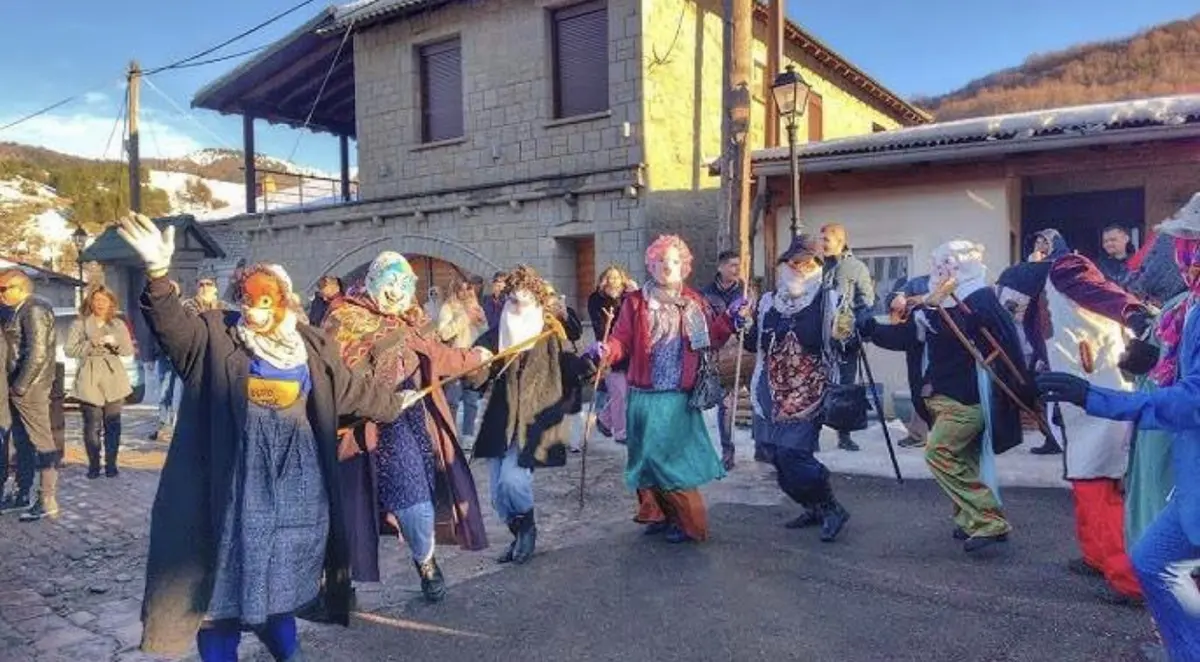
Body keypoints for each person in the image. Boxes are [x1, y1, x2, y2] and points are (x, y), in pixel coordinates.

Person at [115, 214, 419, 661]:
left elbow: (349, 390)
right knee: (221, 584)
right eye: (246, 299)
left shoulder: (311, 345)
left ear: (284, 300)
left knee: (279, 580)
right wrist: (159, 277)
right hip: (234, 481)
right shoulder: (216, 335)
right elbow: (173, 330)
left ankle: (288, 652)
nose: (253, 310)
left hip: (296, 484)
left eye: (263, 301)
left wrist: (395, 403)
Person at [1036, 193, 1200, 662]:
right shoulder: (1187, 304)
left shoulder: (1069, 268)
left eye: (1190, 241)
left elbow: (1192, 399)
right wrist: (1149, 358)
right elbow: (1167, 353)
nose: (1182, 251)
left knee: (1153, 554)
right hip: (1176, 448)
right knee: (1154, 559)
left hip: (1170, 428)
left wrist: (1096, 398)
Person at [322, 252, 490, 602]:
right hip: (369, 427)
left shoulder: (411, 315)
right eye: (389, 285)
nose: (396, 294)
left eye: (403, 287)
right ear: (373, 281)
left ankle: (425, 560)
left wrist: (474, 358)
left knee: (418, 502)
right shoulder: (344, 318)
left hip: (413, 420)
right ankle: (340, 583)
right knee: (353, 506)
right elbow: (336, 382)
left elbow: (437, 356)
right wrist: (383, 400)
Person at [1013, 228, 1158, 604]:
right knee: (1084, 476)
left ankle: (1130, 580)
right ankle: (1095, 555)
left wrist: (1134, 314)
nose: (1035, 252)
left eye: (1041, 246)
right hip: (1077, 392)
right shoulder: (1044, 286)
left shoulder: (1067, 266)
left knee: (1096, 479)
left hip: (1097, 387)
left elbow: (1103, 293)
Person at [861, 240, 1032, 553]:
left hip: (967, 398)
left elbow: (1008, 346)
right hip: (939, 394)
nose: (938, 271)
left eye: (945, 264)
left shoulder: (979, 299)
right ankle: (971, 520)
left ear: (962, 266)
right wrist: (871, 328)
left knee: (938, 453)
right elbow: (909, 338)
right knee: (962, 459)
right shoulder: (935, 302)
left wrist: (1023, 391)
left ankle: (989, 520)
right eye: (936, 264)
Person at [588, 235, 741, 544]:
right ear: (651, 265)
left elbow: (707, 340)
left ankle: (688, 523)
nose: (667, 266)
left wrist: (730, 319)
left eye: (673, 261)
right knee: (644, 458)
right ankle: (657, 513)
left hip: (676, 397)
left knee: (671, 461)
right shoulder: (636, 302)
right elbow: (622, 340)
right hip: (643, 395)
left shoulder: (692, 302)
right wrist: (607, 350)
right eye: (660, 261)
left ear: (683, 266)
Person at [467, 265, 581, 564]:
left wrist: (590, 362)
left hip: (534, 416)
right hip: (500, 418)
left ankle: (528, 528)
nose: (517, 308)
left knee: (513, 482)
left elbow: (570, 346)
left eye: (524, 301)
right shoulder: (497, 334)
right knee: (497, 496)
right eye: (513, 301)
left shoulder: (547, 333)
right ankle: (517, 533)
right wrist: (474, 364)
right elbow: (476, 372)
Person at [745, 235, 851, 541]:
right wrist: (744, 323)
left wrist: (846, 333)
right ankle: (812, 506)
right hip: (771, 389)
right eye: (792, 262)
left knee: (793, 454)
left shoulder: (828, 300)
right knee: (773, 454)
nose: (797, 268)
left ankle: (831, 507)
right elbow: (753, 344)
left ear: (816, 265)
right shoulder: (769, 302)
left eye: (804, 263)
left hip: (808, 389)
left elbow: (844, 345)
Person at [1122, 232, 1188, 551]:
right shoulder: (1177, 308)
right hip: (1163, 421)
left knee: (1158, 495)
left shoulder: (1180, 310)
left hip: (1166, 425)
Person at [0, 269, 59, 521]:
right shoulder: (16, 309)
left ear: (21, 288)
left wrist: (20, 386)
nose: (0, 294)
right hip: (16, 386)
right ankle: (22, 494)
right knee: (22, 442)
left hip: (30, 389)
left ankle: (47, 500)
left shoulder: (34, 308)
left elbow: (38, 352)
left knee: (42, 443)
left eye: (4, 289)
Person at [66, 286, 135, 479]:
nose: (100, 304)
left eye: (105, 300)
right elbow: (70, 350)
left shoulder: (118, 324)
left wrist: (115, 343)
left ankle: (111, 464)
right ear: (90, 302)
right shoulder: (79, 324)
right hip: (89, 376)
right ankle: (94, 465)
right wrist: (90, 344)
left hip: (114, 377)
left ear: (111, 303)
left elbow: (128, 350)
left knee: (113, 424)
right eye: (97, 300)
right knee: (92, 425)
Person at [820, 223, 875, 452]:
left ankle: (844, 435)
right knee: (817, 384)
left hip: (845, 340)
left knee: (845, 385)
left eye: (826, 240)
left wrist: (858, 330)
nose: (822, 244)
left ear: (840, 241)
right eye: (821, 239)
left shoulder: (856, 268)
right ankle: (812, 431)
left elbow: (867, 301)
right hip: (820, 338)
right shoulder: (820, 268)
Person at [702, 250, 745, 469]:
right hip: (721, 354)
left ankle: (764, 446)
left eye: (739, 265)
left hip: (745, 351)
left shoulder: (745, 291)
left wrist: (746, 320)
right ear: (720, 267)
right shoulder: (706, 295)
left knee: (760, 398)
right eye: (732, 265)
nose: (737, 269)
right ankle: (728, 451)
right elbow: (704, 325)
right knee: (727, 404)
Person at [437, 276, 487, 441]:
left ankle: (468, 436)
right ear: (455, 290)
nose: (465, 292)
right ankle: (450, 435)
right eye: (461, 289)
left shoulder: (476, 306)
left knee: (471, 399)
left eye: (468, 288)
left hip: (473, 357)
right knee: (452, 399)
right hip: (455, 358)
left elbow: (485, 332)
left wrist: (481, 322)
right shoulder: (447, 308)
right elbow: (444, 333)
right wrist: (464, 317)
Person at [589, 265, 629, 444]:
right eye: (610, 277)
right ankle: (621, 432)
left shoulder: (628, 298)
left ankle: (604, 419)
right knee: (619, 392)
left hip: (629, 350)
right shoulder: (596, 299)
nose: (613, 281)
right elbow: (599, 326)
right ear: (603, 280)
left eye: (616, 277)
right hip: (608, 350)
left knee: (626, 392)